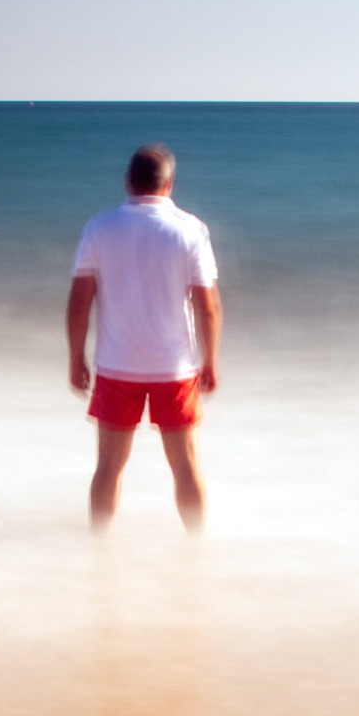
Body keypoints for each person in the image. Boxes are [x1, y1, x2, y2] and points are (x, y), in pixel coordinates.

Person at [67, 143, 221, 532]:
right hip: (174, 368)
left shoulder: (99, 228)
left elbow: (79, 303)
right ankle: (198, 548)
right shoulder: (190, 230)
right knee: (185, 466)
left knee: (108, 467)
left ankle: (99, 549)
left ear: (127, 182)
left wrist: (76, 359)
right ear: (169, 184)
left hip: (117, 366)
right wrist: (210, 361)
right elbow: (208, 307)